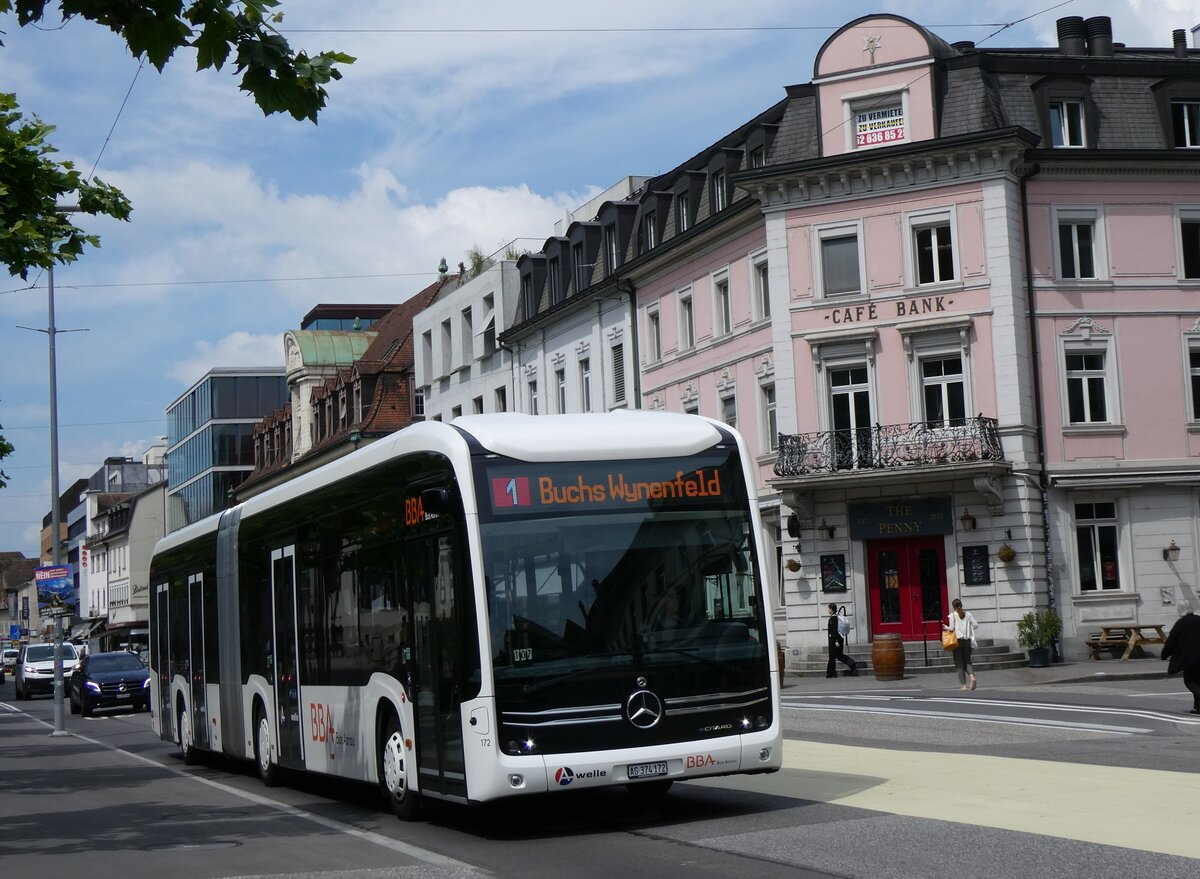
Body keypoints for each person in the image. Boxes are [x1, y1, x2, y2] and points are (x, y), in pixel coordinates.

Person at [1160, 608, 1200, 715]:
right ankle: (1198, 708)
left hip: (1189, 658)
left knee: (1190, 681)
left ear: (1181, 611)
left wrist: (1164, 655)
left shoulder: (1181, 623)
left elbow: (1171, 641)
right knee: (1198, 681)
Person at [944, 598, 979, 690]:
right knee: (967, 660)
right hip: (967, 640)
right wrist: (969, 629)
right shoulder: (968, 614)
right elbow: (976, 625)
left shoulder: (952, 615)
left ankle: (963, 685)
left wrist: (945, 627)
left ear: (953, 606)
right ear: (961, 605)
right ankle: (972, 676)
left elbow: (951, 628)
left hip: (958, 641)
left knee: (959, 663)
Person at [825, 602, 858, 678]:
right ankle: (852, 664)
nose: (828, 610)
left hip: (834, 640)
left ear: (831, 609)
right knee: (839, 655)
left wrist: (836, 641)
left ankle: (831, 673)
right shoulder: (837, 617)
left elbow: (834, 631)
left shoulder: (833, 618)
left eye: (828, 608)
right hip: (839, 639)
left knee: (832, 657)